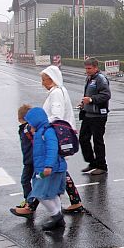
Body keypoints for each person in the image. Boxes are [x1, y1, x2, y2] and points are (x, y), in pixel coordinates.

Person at [11, 104, 84, 218]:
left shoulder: (35, 130)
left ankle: (32, 207)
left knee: (38, 188)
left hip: (39, 163)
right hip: (48, 163)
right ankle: (72, 204)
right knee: (58, 183)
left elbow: (50, 148)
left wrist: (48, 165)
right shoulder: (42, 129)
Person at [40, 66, 84, 212]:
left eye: (44, 80)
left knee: (54, 168)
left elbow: (56, 116)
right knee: (59, 168)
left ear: (51, 79)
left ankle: (31, 204)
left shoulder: (56, 93)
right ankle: (74, 200)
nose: (42, 83)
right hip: (60, 136)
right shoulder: (60, 91)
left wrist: (41, 124)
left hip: (57, 137)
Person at [24, 107, 68, 231]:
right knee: (53, 194)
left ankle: (56, 215)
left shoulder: (47, 132)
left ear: (36, 121)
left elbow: (52, 149)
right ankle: (59, 219)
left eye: (30, 123)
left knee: (39, 194)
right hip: (51, 168)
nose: (29, 125)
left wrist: (48, 166)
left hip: (51, 169)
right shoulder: (41, 132)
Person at [78, 58, 111, 175]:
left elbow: (106, 95)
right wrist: (83, 103)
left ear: (96, 67)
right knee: (83, 138)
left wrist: (91, 100)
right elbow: (88, 94)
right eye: (86, 68)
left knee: (98, 140)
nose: (87, 70)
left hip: (98, 115)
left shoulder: (100, 79)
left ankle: (102, 166)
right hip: (88, 114)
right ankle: (92, 162)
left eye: (89, 68)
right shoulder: (90, 78)